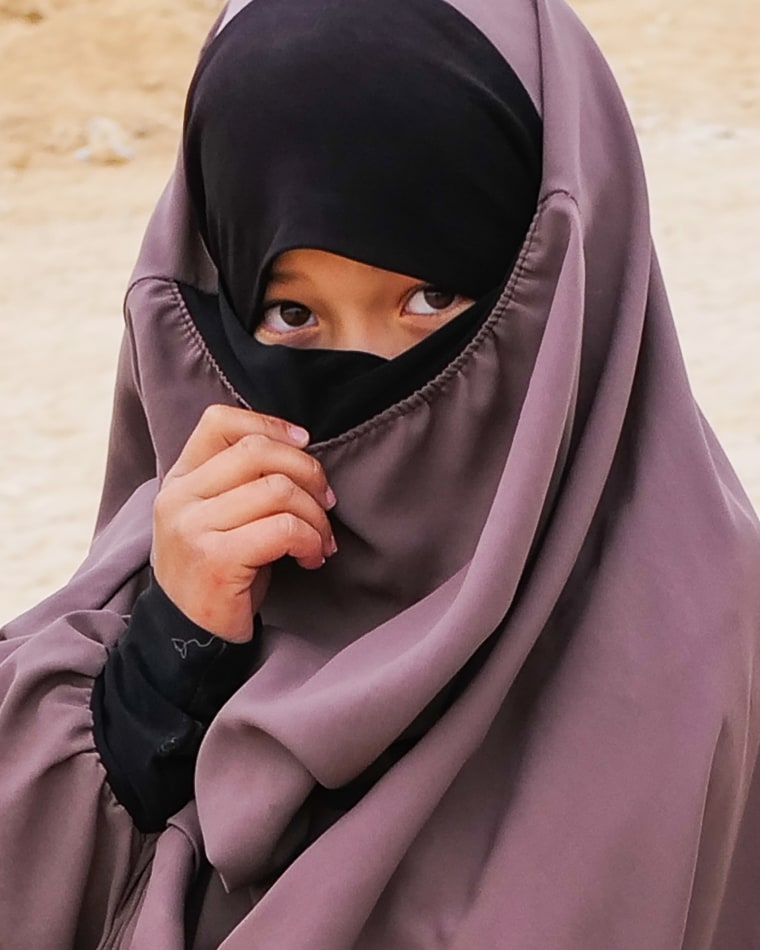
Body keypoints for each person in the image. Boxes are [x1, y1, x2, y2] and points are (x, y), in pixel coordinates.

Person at [1, 0, 759, 947]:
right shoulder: (180, 550)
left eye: (429, 299)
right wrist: (166, 663)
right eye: (291, 316)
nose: (366, 383)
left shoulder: (690, 650)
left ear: (565, 284)